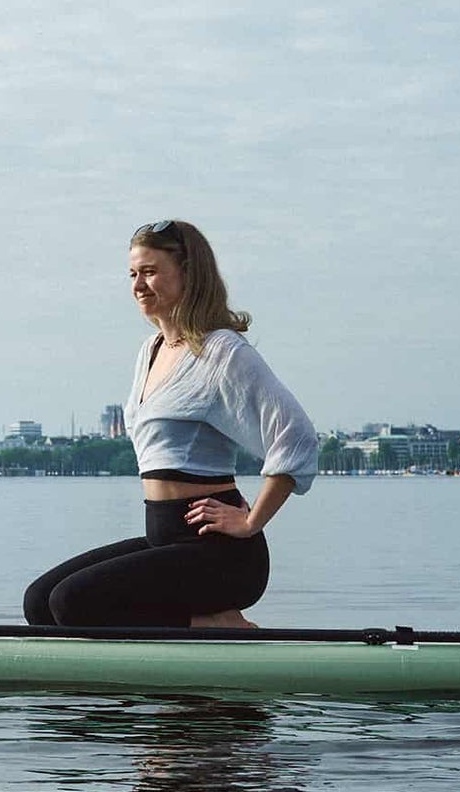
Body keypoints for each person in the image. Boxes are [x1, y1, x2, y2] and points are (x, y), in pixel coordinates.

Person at [23, 219, 319, 630]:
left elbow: (298, 436)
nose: (138, 285)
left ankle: (216, 625)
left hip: (221, 554)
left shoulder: (221, 351)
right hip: (166, 541)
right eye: (132, 274)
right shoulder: (151, 350)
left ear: (188, 273)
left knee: (73, 602)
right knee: (40, 603)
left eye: (150, 271)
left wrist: (251, 522)